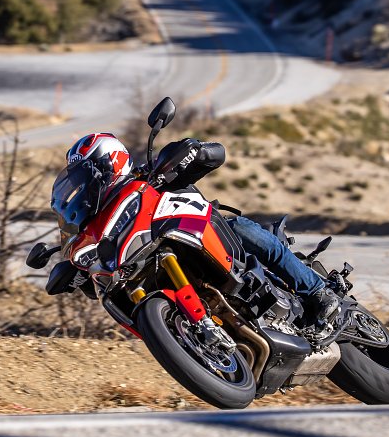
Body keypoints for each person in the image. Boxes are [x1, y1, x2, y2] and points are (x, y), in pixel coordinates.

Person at [60, 133, 340, 334]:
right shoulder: (102, 216)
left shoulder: (150, 174)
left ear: (112, 160)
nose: (87, 186)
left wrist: (192, 152)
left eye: (92, 174)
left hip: (198, 231)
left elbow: (213, 152)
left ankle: (317, 290)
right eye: (82, 182)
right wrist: (77, 268)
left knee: (241, 228)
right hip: (147, 251)